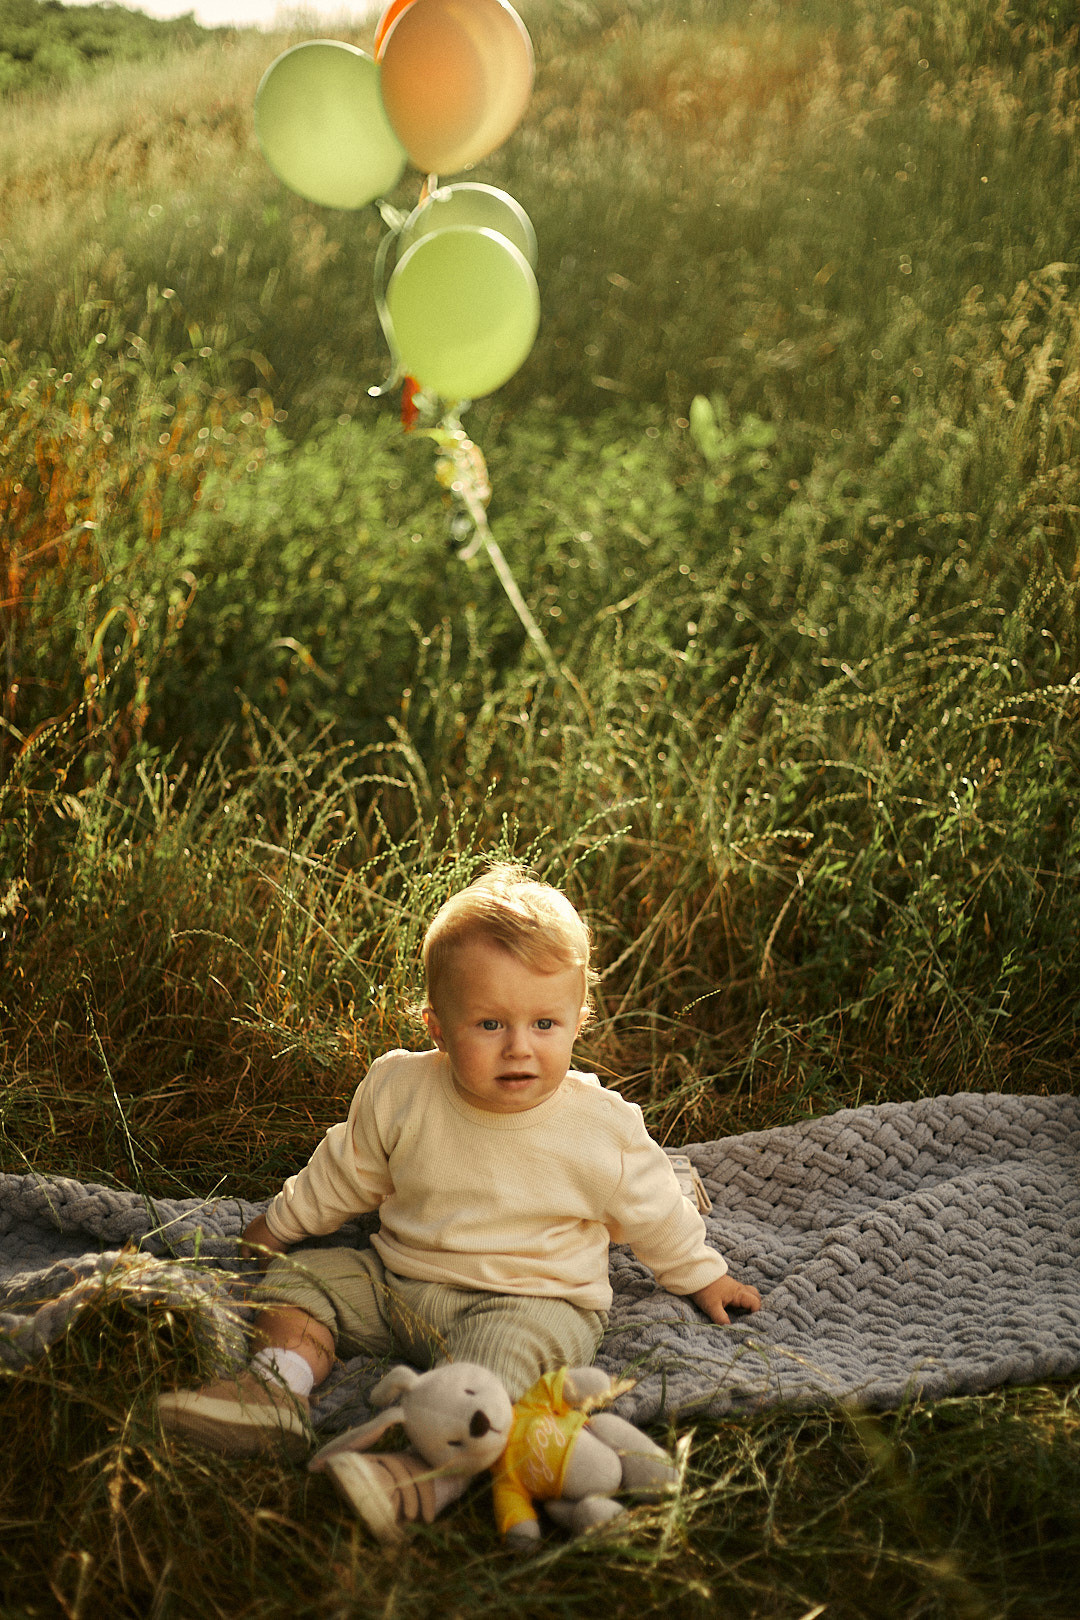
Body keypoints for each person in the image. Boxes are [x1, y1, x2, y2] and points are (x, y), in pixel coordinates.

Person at [158, 864, 761, 1525]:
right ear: (438, 1027)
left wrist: (705, 1277)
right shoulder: (399, 1092)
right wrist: (278, 1227)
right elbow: (344, 1175)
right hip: (401, 1284)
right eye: (490, 1025)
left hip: (534, 1302)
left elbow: (656, 1214)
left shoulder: (601, 1128)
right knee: (306, 1278)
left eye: (545, 1024)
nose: (520, 1050)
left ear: (579, 1021)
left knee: (499, 1360)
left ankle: (425, 1476)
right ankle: (276, 1387)